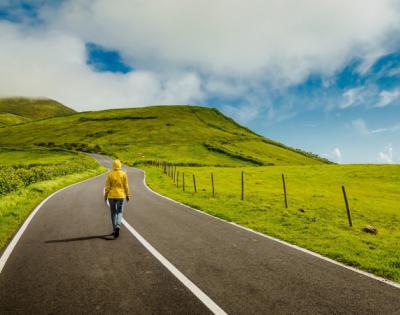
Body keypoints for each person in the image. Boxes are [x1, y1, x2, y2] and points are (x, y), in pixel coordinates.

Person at [104, 159, 130, 238]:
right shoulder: (123, 174)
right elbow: (126, 186)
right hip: (121, 196)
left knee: (113, 213)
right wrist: (127, 195)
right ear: (120, 165)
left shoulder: (110, 174)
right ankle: (118, 225)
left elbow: (107, 187)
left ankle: (114, 229)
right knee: (119, 212)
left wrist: (105, 196)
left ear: (113, 165)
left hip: (111, 196)